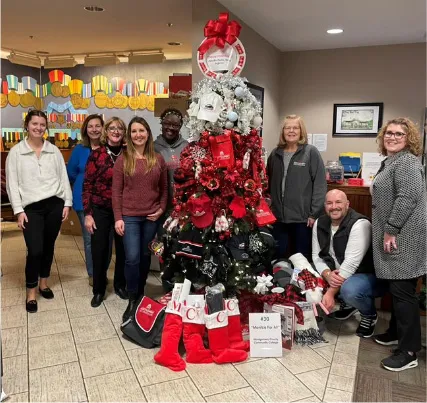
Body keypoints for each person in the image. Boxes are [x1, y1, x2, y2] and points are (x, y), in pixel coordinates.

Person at [371, 117, 427, 371]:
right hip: (397, 232)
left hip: (405, 234)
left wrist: (391, 229)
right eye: (389, 133)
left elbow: (408, 197)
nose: (392, 137)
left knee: (403, 292)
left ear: (409, 139)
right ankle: (395, 332)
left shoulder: (406, 162)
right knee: (396, 287)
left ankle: (409, 350)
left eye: (399, 134)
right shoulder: (392, 161)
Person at [6, 109, 72, 313]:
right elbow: (12, 183)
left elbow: (63, 178)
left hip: (54, 205)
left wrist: (67, 203)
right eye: (35, 124)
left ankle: (44, 283)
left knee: (49, 246)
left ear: (46, 127)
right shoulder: (17, 152)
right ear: (27, 126)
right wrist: (18, 210)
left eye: (42, 124)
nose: (38, 128)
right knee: (35, 250)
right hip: (30, 209)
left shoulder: (54, 151)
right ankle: (31, 292)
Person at [112, 116, 168, 322]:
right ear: (129, 135)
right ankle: (132, 297)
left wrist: (161, 209)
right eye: (134, 131)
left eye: (141, 131)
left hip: (151, 216)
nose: (138, 135)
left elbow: (164, 189)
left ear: (148, 133)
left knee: (145, 257)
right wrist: (118, 217)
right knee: (132, 257)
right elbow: (116, 192)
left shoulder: (158, 158)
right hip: (130, 217)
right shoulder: (123, 159)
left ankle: (142, 292)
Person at [312, 189, 384, 338]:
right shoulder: (320, 222)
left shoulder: (360, 224)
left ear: (347, 204)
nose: (334, 207)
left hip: (366, 274)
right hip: (337, 273)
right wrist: (327, 274)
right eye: (329, 203)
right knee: (308, 273)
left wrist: (331, 292)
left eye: (338, 202)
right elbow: (316, 255)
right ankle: (349, 305)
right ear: (325, 206)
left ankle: (369, 315)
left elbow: (351, 264)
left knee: (350, 290)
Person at [267, 114, 326, 259]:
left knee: (302, 258)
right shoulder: (275, 154)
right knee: (277, 256)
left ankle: (301, 282)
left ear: (301, 131)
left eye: (295, 128)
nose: (291, 131)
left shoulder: (310, 152)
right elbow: (267, 182)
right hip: (278, 217)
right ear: (283, 131)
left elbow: (320, 184)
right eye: (288, 128)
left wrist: (314, 213)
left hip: (303, 219)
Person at [82, 117, 128, 307]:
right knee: (100, 250)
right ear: (106, 131)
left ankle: (120, 285)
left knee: (123, 250)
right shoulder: (97, 154)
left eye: (120, 128)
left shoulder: (129, 154)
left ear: (123, 132)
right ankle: (99, 290)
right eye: (112, 128)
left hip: (124, 210)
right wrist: (88, 213)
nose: (116, 131)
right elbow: (87, 185)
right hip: (100, 209)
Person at [67, 114, 104, 285]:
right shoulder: (79, 150)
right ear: (85, 129)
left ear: (103, 128)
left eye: (98, 126)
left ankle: (103, 271)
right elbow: (71, 174)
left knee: (105, 238)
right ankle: (93, 274)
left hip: (105, 201)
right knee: (89, 239)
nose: (94, 129)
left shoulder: (108, 148)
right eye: (91, 126)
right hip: (83, 201)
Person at [154, 108, 188, 290]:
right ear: (162, 124)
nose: (170, 128)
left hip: (183, 208)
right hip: (161, 208)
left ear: (181, 126)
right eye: (167, 123)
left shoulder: (187, 146)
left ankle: (182, 287)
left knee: (182, 247)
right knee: (162, 247)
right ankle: (166, 285)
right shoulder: (153, 147)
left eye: (175, 124)